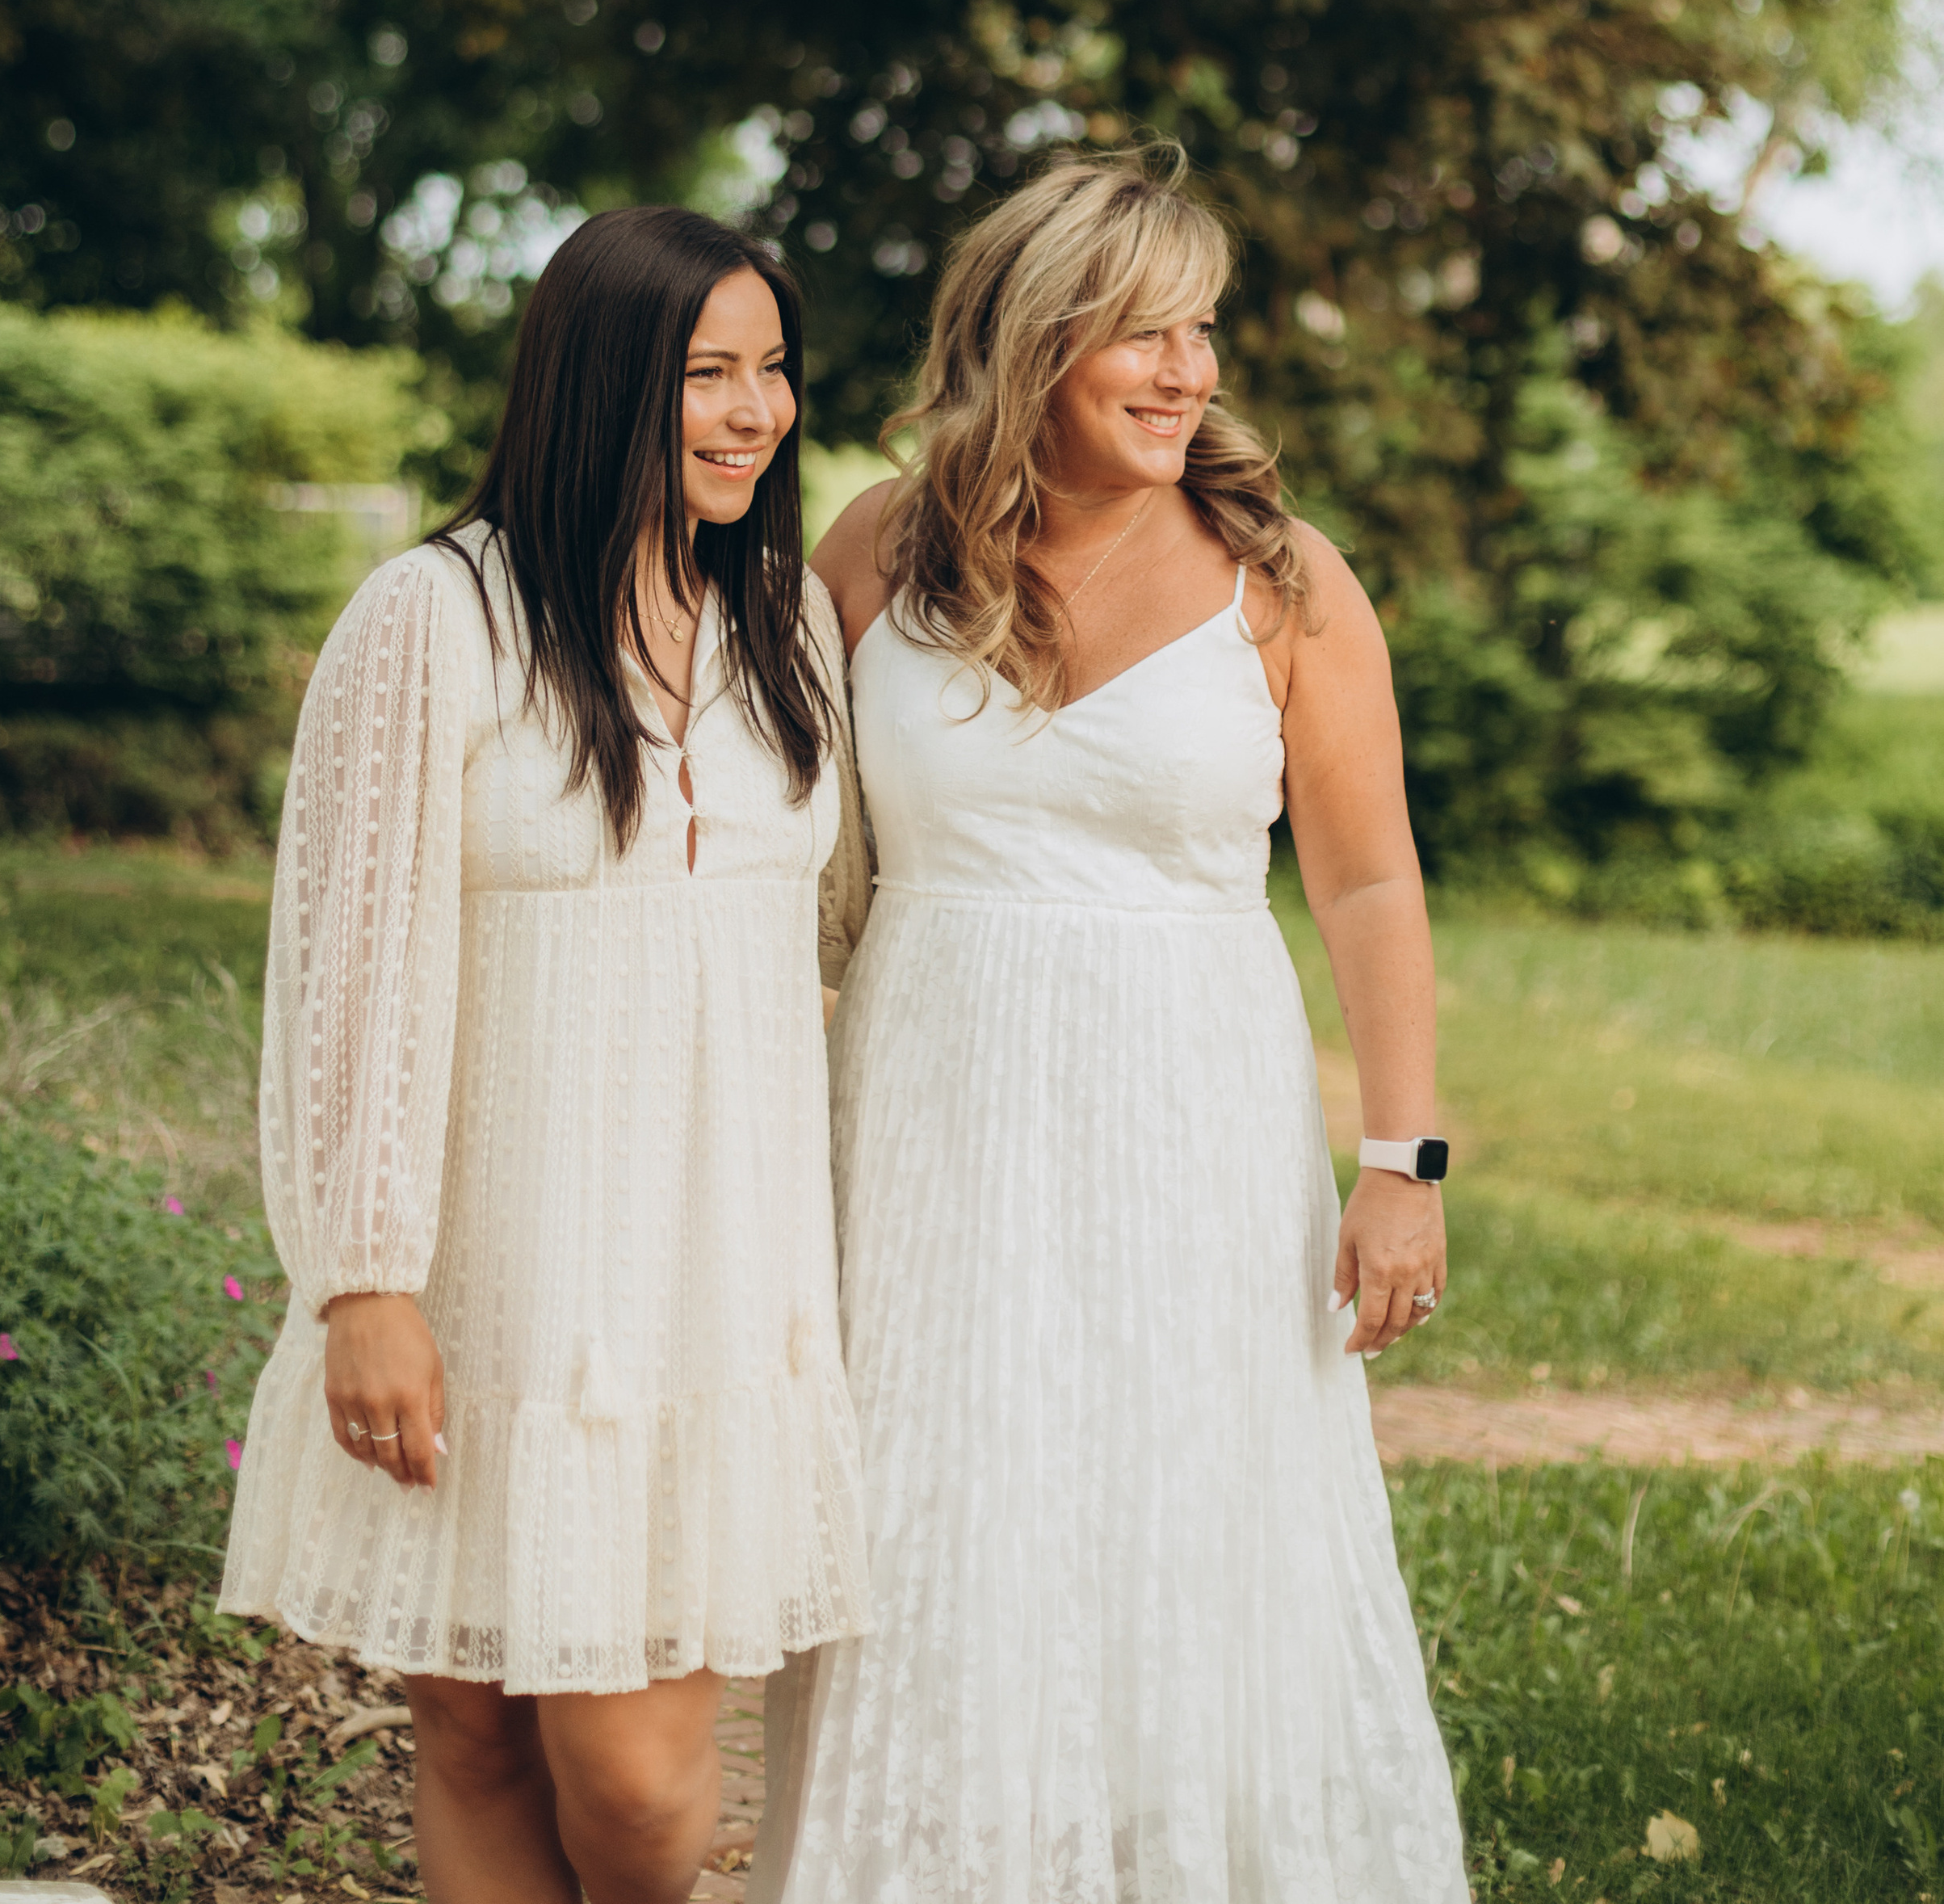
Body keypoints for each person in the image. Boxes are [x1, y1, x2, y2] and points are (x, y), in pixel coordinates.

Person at [758, 149, 1467, 1904]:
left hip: (1192, 1122)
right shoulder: (876, 547)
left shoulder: (1282, 578)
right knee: (941, 1505)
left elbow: (1370, 882)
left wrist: (1403, 1162)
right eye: (1141, 334)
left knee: (1191, 1506)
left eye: (1201, 331)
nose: (1185, 372)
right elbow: (754, 813)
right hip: (927, 1117)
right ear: (1030, 346)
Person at [222, 207, 871, 1904]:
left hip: (712, 1281)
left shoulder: (788, 625)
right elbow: (348, 968)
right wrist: (364, 1280)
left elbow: (826, 936)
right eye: (707, 373)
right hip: (486, 1272)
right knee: (476, 1731)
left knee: (643, 1793)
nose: (754, 411)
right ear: (600, 383)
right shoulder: (434, 617)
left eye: (773, 370)